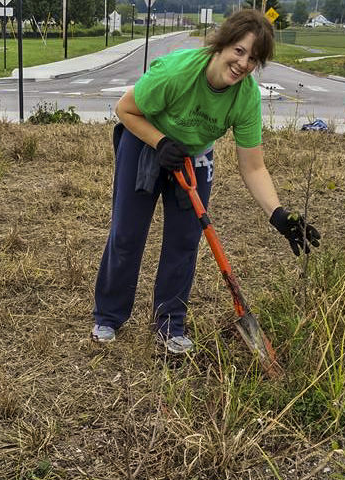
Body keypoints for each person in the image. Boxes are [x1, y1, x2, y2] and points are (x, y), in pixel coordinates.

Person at [91, 9, 321, 354]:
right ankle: (109, 316)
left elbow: (254, 167)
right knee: (127, 233)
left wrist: (278, 214)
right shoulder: (177, 72)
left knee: (184, 240)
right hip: (144, 139)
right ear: (222, 44)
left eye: (253, 59)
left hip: (193, 153)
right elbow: (125, 110)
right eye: (239, 51)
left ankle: (170, 324)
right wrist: (161, 142)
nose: (243, 64)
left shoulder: (246, 97)